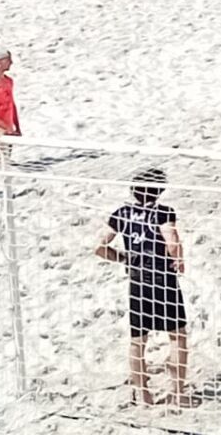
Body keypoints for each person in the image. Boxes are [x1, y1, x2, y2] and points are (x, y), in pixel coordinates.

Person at [95, 167, 190, 408]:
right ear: (159, 191)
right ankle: (178, 393)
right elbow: (171, 242)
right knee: (177, 336)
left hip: (137, 281)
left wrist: (123, 258)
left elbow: (99, 247)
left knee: (138, 340)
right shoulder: (163, 212)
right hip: (163, 280)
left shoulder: (121, 213)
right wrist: (178, 260)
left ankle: (143, 394)